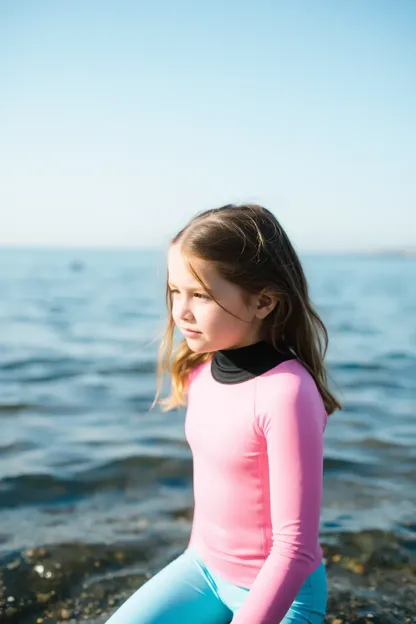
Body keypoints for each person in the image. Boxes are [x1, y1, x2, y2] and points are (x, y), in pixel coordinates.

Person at [105, 204, 342, 623]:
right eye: (174, 291)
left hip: (283, 595)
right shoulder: (200, 374)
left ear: (263, 302)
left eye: (199, 294)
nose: (180, 311)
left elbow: (297, 547)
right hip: (203, 568)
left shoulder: (287, 392)